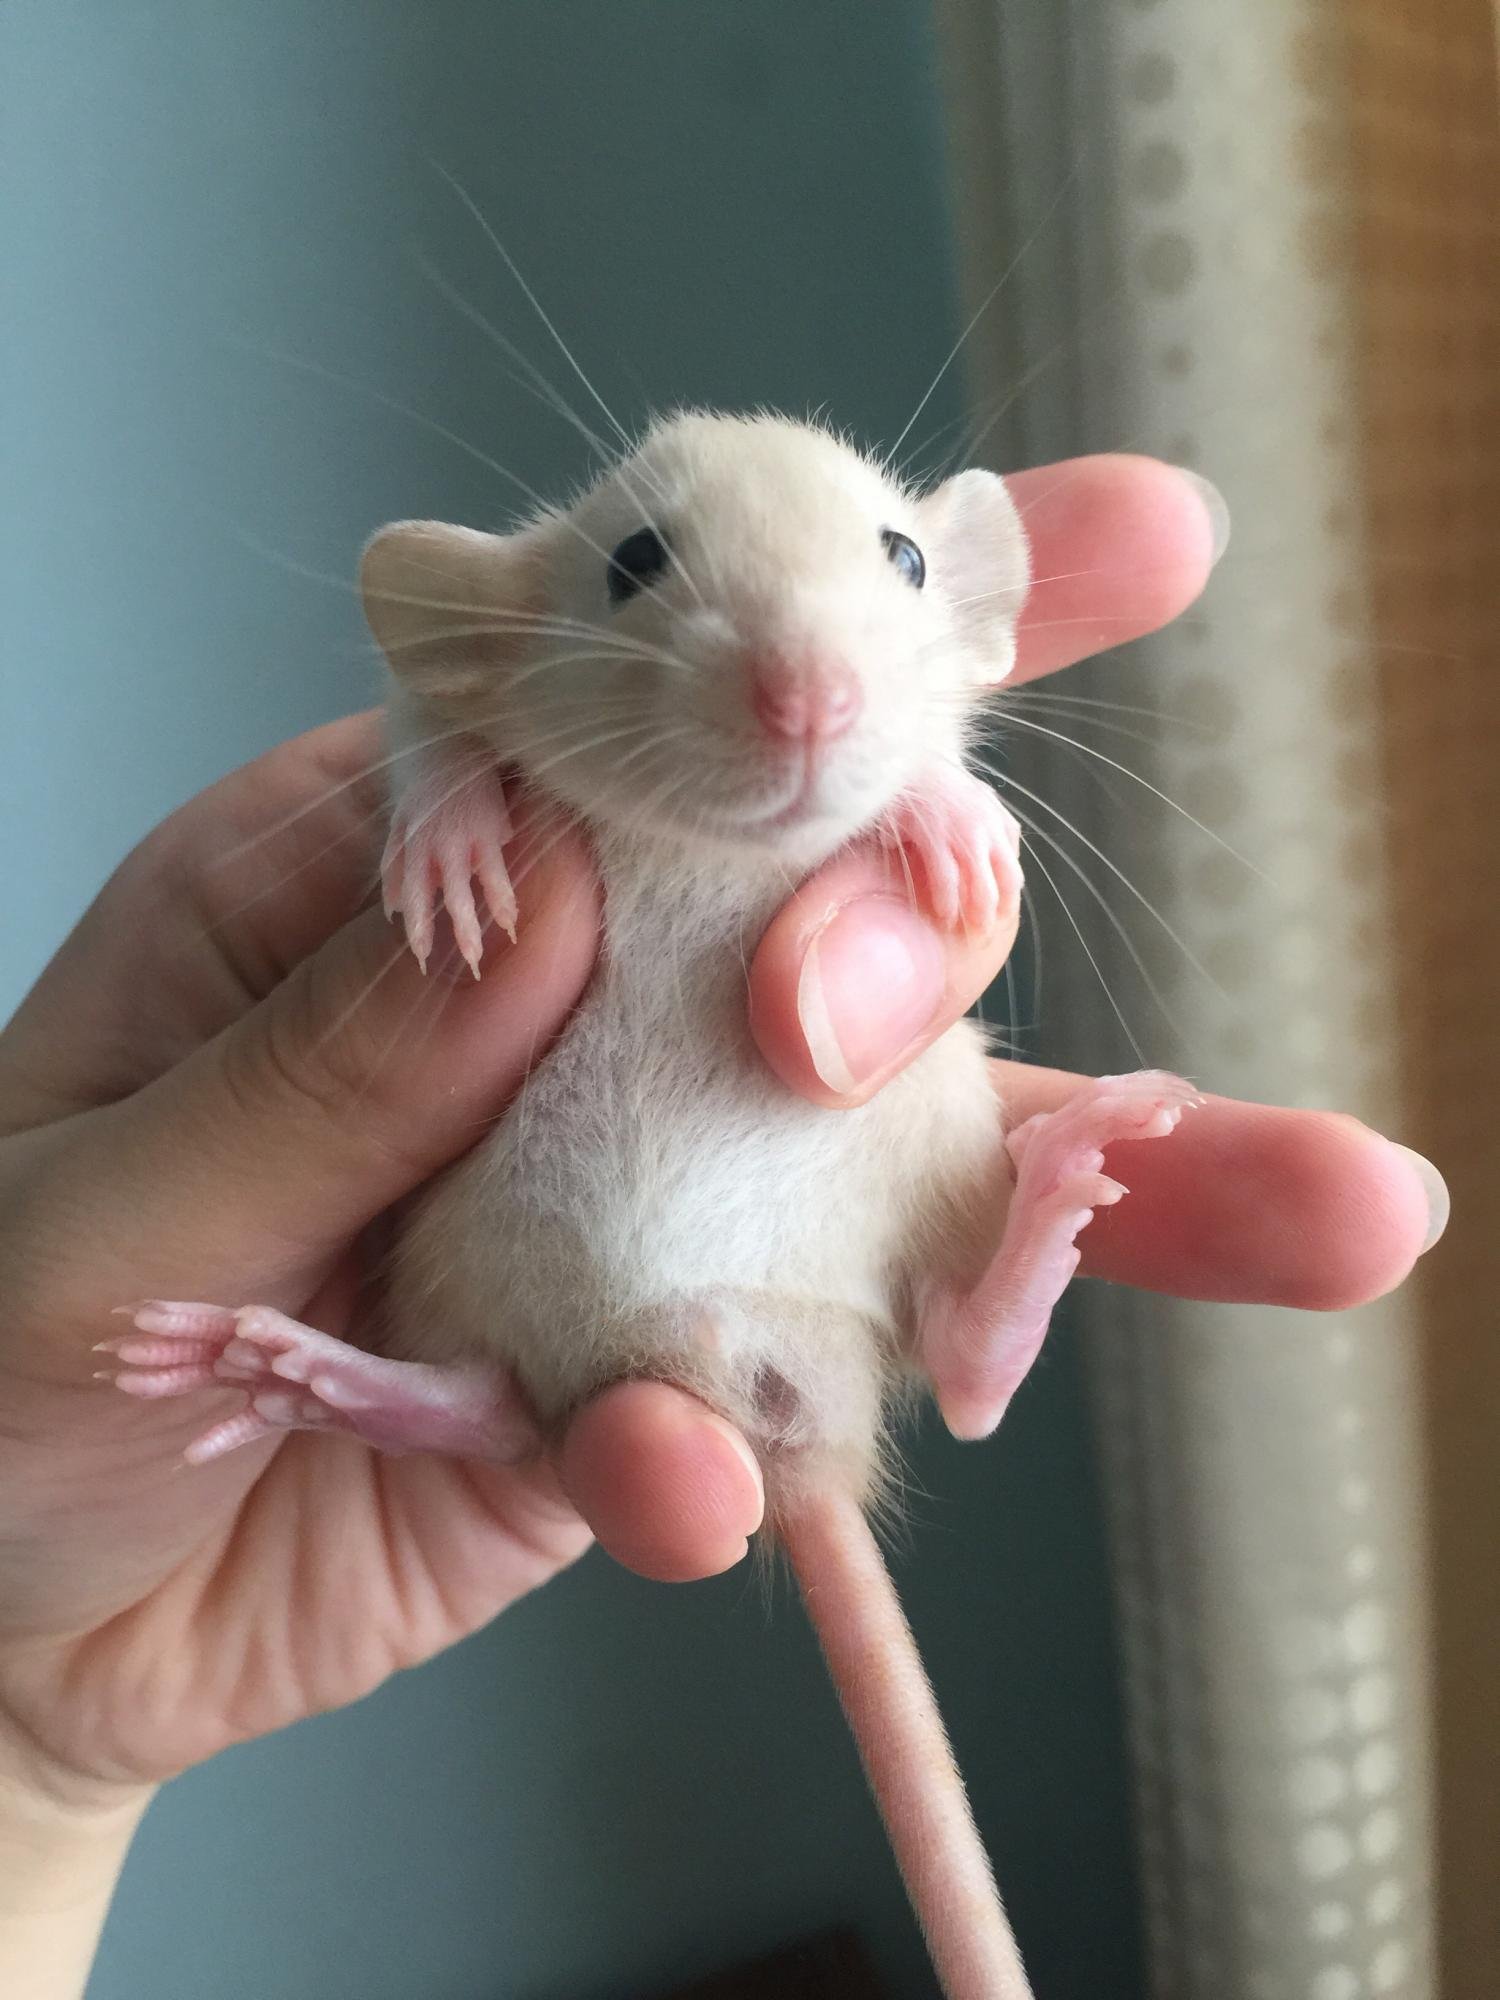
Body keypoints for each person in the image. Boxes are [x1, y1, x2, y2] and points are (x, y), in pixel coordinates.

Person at [0, 457, 1443, 1999]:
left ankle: (945, 1322)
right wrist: (441, 794)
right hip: (563, 1310)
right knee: (678, 1198)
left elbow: (927, 746)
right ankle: (519, 1391)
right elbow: (438, 705)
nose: (805, 689)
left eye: (897, 563)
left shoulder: (906, 732)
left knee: (933, 1086)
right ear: (490, 623)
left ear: (967, 599)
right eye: (640, 569)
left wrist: (943, 793)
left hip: (806, 1310)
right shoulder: (503, 697)